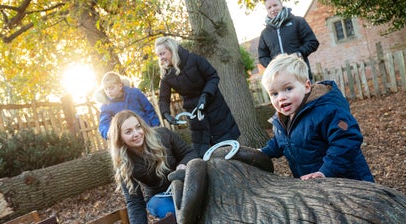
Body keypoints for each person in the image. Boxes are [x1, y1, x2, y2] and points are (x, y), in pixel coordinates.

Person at [260, 53, 374, 182]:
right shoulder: (284, 119)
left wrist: (326, 171)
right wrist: (263, 152)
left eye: (288, 89)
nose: (281, 97)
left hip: (348, 180)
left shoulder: (326, 111)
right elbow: (281, 141)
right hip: (316, 186)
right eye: (274, 93)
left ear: (307, 86)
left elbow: (347, 138)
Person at [107, 110, 199, 224]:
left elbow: (190, 153)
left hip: (184, 184)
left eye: (138, 127)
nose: (137, 133)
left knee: (197, 198)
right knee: (167, 208)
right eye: (129, 131)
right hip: (160, 196)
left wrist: (182, 165)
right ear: (120, 138)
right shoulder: (124, 163)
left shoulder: (162, 135)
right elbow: (134, 202)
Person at [154, 37, 240, 156]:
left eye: (163, 53)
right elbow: (163, 98)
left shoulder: (194, 59)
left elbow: (213, 76)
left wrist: (205, 95)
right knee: (203, 151)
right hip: (195, 114)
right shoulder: (166, 75)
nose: (161, 58)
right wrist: (166, 114)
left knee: (227, 146)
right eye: (158, 55)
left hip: (214, 107)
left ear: (172, 50)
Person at [258, 0, 319, 80]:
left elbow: (312, 42)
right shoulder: (265, 33)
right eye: (269, 7)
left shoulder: (298, 21)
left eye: (275, 5)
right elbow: (262, 56)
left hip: (300, 74)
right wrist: (274, 64)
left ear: (281, 5)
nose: (273, 9)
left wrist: (298, 54)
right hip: (280, 79)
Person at [96, 71, 160, 140]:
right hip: (129, 137)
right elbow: (103, 123)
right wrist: (109, 133)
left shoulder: (135, 93)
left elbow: (149, 109)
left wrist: (154, 126)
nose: (108, 92)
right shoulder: (107, 105)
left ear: (120, 86)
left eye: (111, 88)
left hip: (146, 129)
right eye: (106, 89)